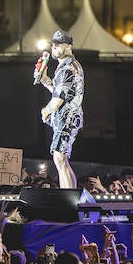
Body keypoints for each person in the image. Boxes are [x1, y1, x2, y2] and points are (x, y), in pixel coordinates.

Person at [37, 29, 84, 189]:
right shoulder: (67, 67)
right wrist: (46, 81)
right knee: (61, 159)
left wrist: (46, 111)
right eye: (53, 45)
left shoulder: (67, 69)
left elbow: (58, 100)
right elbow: (61, 91)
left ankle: (69, 196)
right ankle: (69, 194)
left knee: (60, 158)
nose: (54, 48)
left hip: (67, 119)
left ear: (69, 46)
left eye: (58, 45)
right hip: (67, 118)